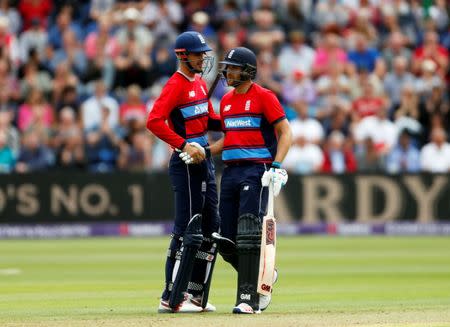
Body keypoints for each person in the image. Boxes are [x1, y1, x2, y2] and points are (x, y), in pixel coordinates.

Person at [181, 47, 292, 314]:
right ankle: (265, 278)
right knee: (225, 240)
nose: (228, 72)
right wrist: (204, 151)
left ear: (248, 71)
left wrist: (277, 165)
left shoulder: (265, 97)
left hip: (257, 171)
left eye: (233, 67)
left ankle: (247, 299)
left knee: (248, 233)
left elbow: (286, 132)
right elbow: (230, 139)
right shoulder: (227, 100)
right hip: (230, 173)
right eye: (227, 67)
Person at [146, 31, 221, 313]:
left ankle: (194, 294)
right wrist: (182, 145)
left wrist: (234, 121)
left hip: (206, 161)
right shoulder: (176, 84)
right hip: (186, 165)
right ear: (183, 56)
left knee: (210, 228)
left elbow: (208, 119)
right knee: (186, 228)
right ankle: (170, 296)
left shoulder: (200, 83)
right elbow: (154, 121)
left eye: (203, 53)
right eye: (198, 53)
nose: (203, 57)